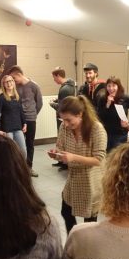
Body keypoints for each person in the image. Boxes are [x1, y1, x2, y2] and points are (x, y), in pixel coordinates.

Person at [48, 95, 107, 232]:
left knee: (90, 220)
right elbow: (60, 147)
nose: (65, 124)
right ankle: (74, 238)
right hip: (74, 178)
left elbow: (98, 159)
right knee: (66, 212)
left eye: (68, 120)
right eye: (63, 120)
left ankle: (87, 243)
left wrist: (73, 157)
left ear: (80, 114)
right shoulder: (64, 127)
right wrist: (56, 154)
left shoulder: (96, 129)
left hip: (91, 180)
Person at [8, 65, 42, 177]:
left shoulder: (34, 86)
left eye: (14, 78)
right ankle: (19, 168)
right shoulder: (15, 87)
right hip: (18, 120)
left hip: (31, 119)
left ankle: (29, 167)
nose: (13, 81)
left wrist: (33, 115)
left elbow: (39, 103)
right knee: (18, 145)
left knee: (29, 144)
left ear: (19, 74)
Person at [96, 76, 129, 151]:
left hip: (120, 134)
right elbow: (99, 116)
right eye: (109, 86)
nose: (111, 88)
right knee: (106, 155)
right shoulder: (102, 99)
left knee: (117, 155)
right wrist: (107, 104)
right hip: (105, 133)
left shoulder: (125, 98)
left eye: (114, 86)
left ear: (118, 86)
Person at [0, 74, 27, 158]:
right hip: (7, 130)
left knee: (23, 152)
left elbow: (21, 111)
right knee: (9, 154)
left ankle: (22, 166)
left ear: (13, 82)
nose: (9, 83)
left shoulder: (17, 96)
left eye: (11, 81)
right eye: (6, 82)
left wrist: (25, 123)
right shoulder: (1, 97)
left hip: (18, 128)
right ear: (3, 84)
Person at [49, 67, 76, 169]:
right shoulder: (68, 87)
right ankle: (61, 160)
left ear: (58, 76)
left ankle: (64, 162)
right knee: (62, 139)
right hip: (66, 117)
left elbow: (62, 106)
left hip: (64, 117)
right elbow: (64, 101)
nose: (54, 80)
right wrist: (57, 100)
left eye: (54, 77)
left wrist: (52, 104)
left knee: (63, 140)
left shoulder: (65, 89)